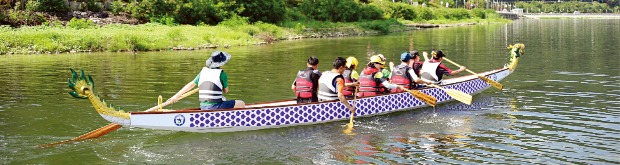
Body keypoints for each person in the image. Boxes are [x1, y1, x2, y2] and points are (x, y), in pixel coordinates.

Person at [167, 51, 245, 110]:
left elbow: (190, 85)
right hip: (215, 107)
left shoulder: (203, 72)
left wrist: (175, 96)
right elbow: (226, 91)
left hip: (203, 107)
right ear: (222, 63)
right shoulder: (222, 74)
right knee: (241, 103)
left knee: (225, 101)